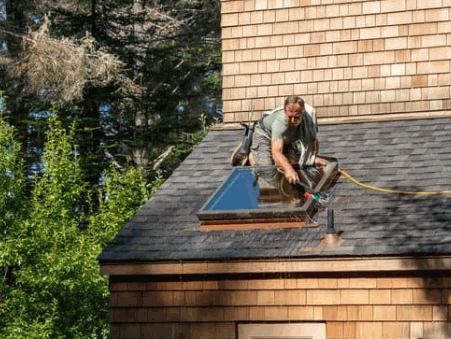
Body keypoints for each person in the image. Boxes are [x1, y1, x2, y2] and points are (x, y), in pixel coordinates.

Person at [249, 96, 327, 188]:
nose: (293, 120)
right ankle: (253, 156)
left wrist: (312, 158)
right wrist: (288, 169)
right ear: (285, 111)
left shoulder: (309, 120)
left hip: (286, 137)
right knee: (267, 170)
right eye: (289, 117)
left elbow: (313, 141)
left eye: (296, 117)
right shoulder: (280, 122)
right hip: (264, 134)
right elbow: (276, 152)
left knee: (296, 161)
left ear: (303, 113)